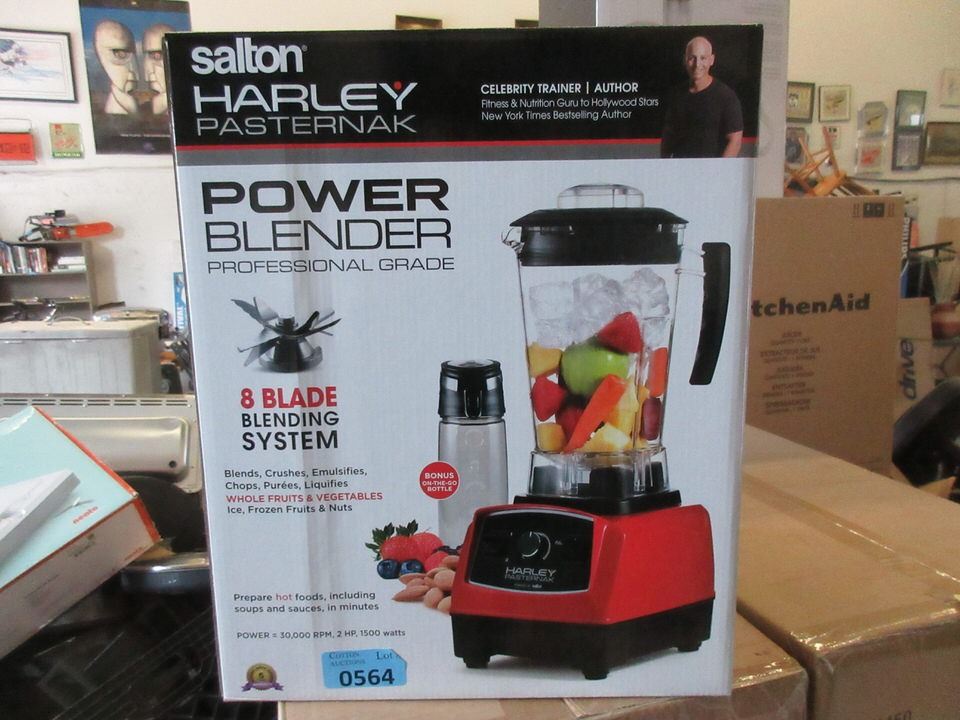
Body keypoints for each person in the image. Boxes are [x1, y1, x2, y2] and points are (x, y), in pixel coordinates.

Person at [660, 36, 743, 158]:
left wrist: (720, 169)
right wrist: (664, 165)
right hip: (681, 168)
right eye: (692, 58)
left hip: (712, 168)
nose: (697, 64)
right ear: (685, 60)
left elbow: (735, 140)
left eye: (703, 58)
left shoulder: (726, 97)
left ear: (712, 60)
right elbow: (668, 136)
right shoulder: (676, 95)